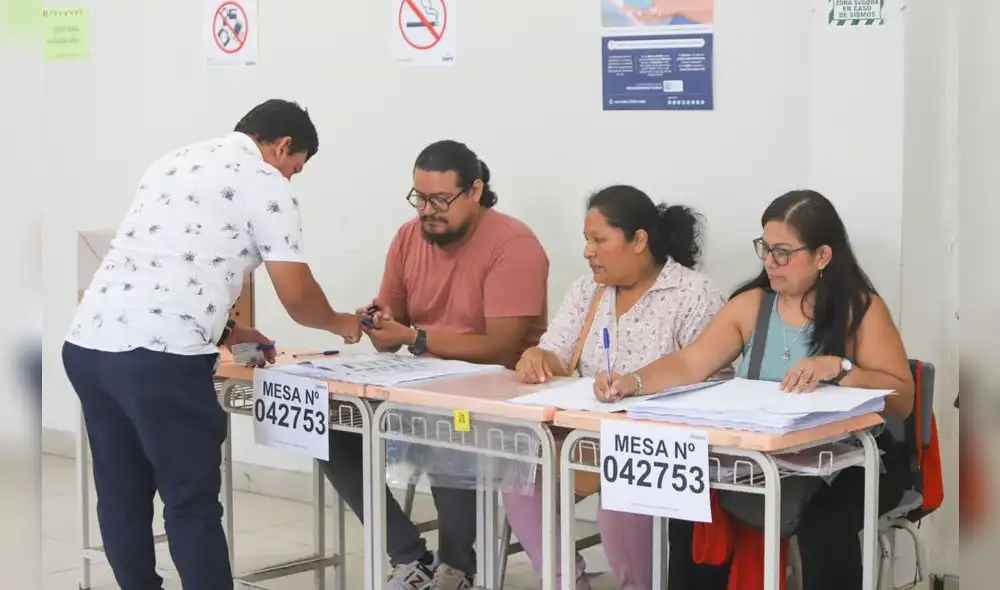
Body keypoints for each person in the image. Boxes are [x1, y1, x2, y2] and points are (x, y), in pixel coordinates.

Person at [62, 99, 362, 590]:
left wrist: (227, 333)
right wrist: (341, 323)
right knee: (191, 502)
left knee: (121, 493)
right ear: (283, 146)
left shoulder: (172, 161)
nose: (291, 177)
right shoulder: (266, 185)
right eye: (295, 167)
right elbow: (298, 296)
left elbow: (160, 265)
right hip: (161, 363)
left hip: (89, 345)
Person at [594, 190, 915, 590]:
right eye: (765, 249)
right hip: (759, 460)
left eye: (783, 252)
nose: (769, 262)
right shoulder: (752, 306)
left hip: (847, 463)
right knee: (689, 505)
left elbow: (902, 396)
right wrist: (634, 382)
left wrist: (841, 367)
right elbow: (692, 362)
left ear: (822, 257)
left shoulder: (862, 311)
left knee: (823, 528)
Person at [320, 140, 550, 590]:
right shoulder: (409, 236)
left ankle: (457, 569)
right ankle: (408, 557)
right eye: (420, 199)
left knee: (450, 427)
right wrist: (379, 324)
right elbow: (394, 326)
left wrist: (415, 338)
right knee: (327, 426)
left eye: (440, 200)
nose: (427, 211)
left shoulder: (513, 243)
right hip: (421, 384)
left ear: (476, 190)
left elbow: (503, 346)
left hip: (497, 391)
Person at [511, 185, 725, 590]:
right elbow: (555, 352)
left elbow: (712, 380)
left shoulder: (692, 293)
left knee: (621, 498)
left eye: (599, 240)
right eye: (586, 241)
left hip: (657, 449)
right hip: (583, 439)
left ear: (639, 240)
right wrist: (538, 359)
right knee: (520, 479)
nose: (588, 252)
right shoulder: (587, 290)